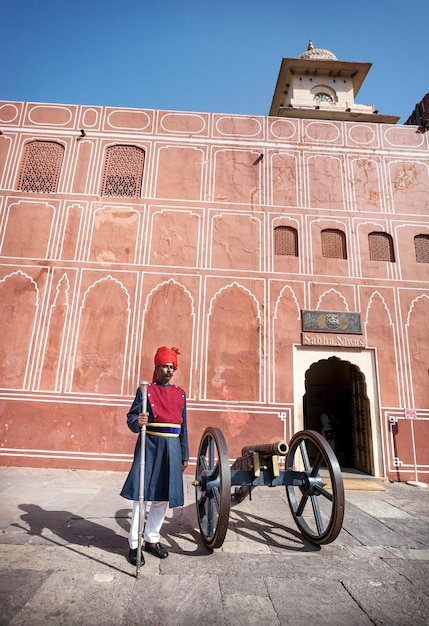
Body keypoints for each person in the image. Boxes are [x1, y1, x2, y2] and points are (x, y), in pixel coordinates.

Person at [120, 346, 189, 566]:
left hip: (173, 449)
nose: (168, 371)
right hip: (149, 447)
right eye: (164, 366)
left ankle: (151, 539)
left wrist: (184, 453)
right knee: (141, 498)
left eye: (171, 367)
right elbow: (131, 417)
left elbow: (183, 426)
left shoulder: (180, 393)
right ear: (157, 367)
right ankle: (134, 545)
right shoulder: (145, 391)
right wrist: (137, 421)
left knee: (162, 498)